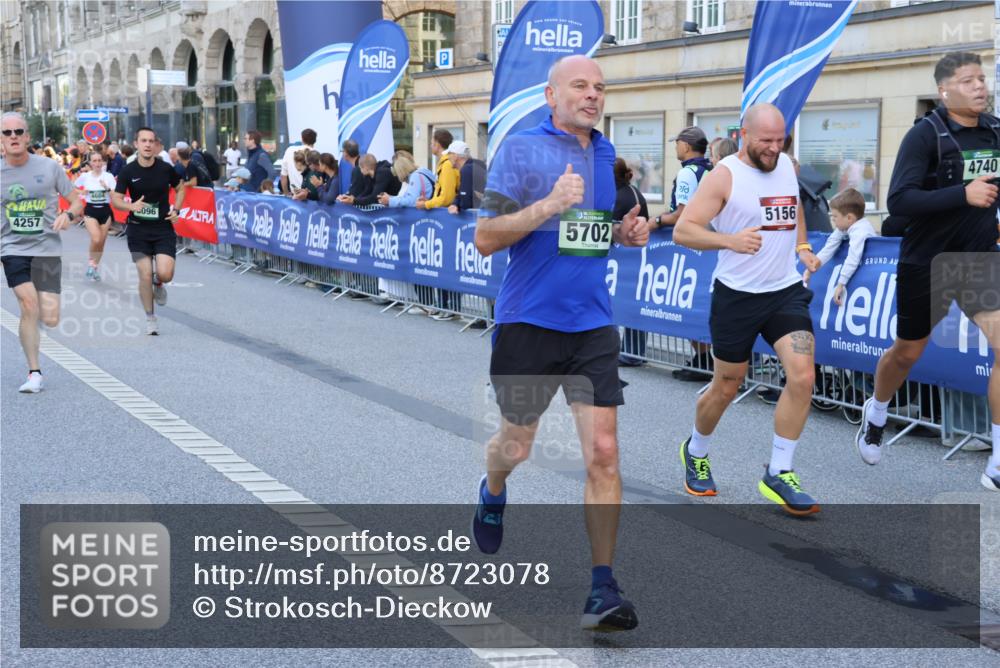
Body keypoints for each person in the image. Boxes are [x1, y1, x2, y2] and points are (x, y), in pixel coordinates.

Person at [472, 55, 649, 632]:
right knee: (516, 446)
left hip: (591, 323)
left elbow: (590, 234)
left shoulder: (604, 154)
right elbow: (485, 238)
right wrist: (548, 203)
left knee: (603, 451)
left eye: (600, 87)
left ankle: (603, 587)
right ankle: (493, 488)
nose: (593, 95)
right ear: (551, 96)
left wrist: (625, 233)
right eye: (581, 86)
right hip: (529, 322)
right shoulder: (521, 150)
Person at [857, 52, 1000, 492]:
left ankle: (998, 459)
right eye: (967, 80)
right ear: (944, 90)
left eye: (982, 78)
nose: (979, 86)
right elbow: (900, 202)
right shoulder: (925, 136)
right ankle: (877, 411)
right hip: (928, 262)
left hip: (977, 261)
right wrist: (962, 195)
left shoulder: (996, 131)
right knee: (906, 352)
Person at [673, 103, 823, 515]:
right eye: (766, 141)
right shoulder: (725, 176)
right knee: (727, 385)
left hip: (784, 292)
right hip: (736, 295)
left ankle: (779, 470)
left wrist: (803, 247)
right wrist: (730, 241)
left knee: (803, 375)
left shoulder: (787, 166)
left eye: (780, 140)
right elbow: (685, 230)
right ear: (743, 135)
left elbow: (793, 212)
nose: (774, 149)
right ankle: (696, 450)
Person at [1, 112, 83, 393]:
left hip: (47, 249)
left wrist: (68, 216)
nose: (13, 137)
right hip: (12, 248)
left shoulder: (49, 168)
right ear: (1, 140)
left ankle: (37, 326)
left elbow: (76, 201)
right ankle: (34, 372)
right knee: (28, 305)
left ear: (27, 136)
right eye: (7, 133)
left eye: (18, 132)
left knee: (50, 318)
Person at [653, 126, 716, 381]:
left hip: (691, 244)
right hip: (705, 242)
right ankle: (703, 358)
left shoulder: (688, 172)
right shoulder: (710, 169)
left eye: (677, 143)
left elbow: (682, 213)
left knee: (689, 301)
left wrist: (655, 221)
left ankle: (704, 359)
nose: (675, 147)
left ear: (687, 146)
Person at [111, 127, 186, 336]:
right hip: (137, 230)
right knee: (144, 274)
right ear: (136, 144)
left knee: (165, 273)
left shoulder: (165, 168)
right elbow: (116, 200)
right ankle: (150, 318)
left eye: (151, 141)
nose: (147, 144)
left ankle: (159, 281)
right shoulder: (128, 171)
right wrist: (130, 206)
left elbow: (181, 188)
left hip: (162, 228)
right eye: (143, 141)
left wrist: (177, 209)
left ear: (155, 145)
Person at [802, 188, 877, 305]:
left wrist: (841, 284)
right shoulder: (846, 226)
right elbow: (830, 246)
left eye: (835, 217)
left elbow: (853, 258)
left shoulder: (860, 231)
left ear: (849, 218)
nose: (832, 220)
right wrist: (811, 268)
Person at [614, 157, 650, 367]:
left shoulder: (618, 196)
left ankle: (631, 352)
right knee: (634, 303)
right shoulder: (633, 191)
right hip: (637, 257)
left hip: (626, 258)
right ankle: (633, 351)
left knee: (626, 303)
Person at [75, 151, 118, 281]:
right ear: (90, 163)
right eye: (95, 161)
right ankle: (91, 263)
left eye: (100, 160)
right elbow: (71, 187)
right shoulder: (85, 176)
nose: (98, 163)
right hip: (90, 210)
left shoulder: (109, 176)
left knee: (101, 243)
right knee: (96, 239)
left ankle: (93, 267)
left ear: (103, 162)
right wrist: (82, 191)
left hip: (105, 210)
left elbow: (115, 195)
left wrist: (107, 188)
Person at [417, 129, 459, 210]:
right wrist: (430, 201)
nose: (430, 146)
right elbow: (442, 195)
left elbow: (447, 198)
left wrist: (426, 204)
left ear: (437, 145)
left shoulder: (447, 164)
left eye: (431, 143)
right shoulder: (446, 162)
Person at [446, 140, 487, 213]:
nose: (448, 158)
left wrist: (457, 206)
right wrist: (455, 204)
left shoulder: (466, 170)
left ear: (455, 156)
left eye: (449, 154)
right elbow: (462, 193)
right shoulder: (476, 165)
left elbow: (465, 202)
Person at [280, 128, 317, 194]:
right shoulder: (316, 154)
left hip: (296, 196)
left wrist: (286, 194)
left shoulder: (289, 150)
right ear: (315, 140)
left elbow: (283, 176)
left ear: (302, 138)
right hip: (310, 197)